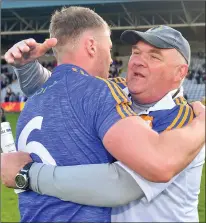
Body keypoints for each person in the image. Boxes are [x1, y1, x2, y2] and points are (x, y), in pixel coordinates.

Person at [1, 8, 205, 223]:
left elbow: (121, 185)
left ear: (180, 72)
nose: (137, 61)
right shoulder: (115, 89)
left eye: (154, 56)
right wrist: (27, 67)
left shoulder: (184, 119)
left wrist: (28, 174)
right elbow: (68, 91)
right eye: (136, 52)